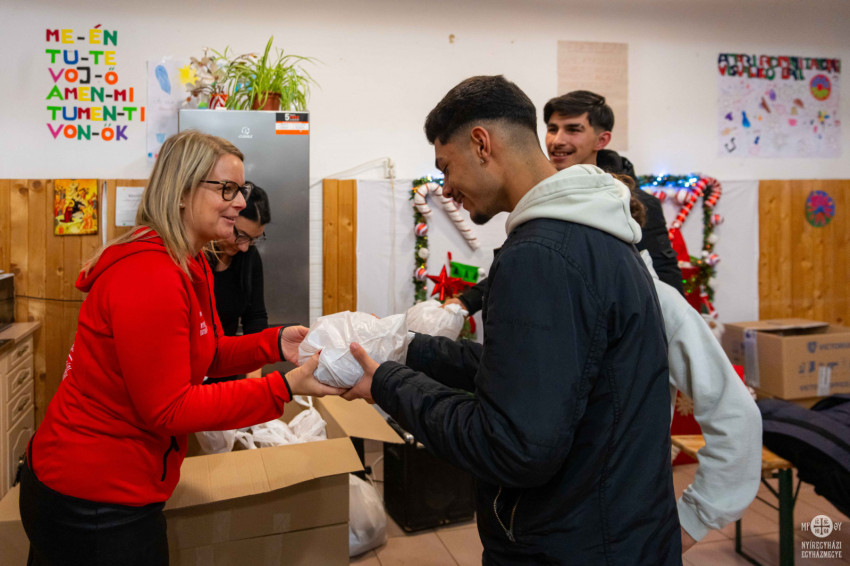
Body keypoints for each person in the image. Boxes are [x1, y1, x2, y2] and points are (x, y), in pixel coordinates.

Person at [344, 75, 681, 564]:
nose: (447, 189)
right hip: (618, 530)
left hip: (574, 546)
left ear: (482, 144)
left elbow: (513, 446)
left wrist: (387, 384)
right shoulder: (593, 230)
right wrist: (407, 347)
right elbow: (539, 374)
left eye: (446, 167)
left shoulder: (540, 255)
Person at [19, 130, 343, 566]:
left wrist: (274, 342)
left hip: (114, 488)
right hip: (92, 499)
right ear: (181, 193)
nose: (240, 202)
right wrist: (282, 388)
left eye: (241, 189)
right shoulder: (151, 275)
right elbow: (169, 409)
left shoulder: (189, 262)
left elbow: (206, 354)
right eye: (226, 188)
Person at [449, 90, 683, 314]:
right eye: (552, 129)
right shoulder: (542, 194)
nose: (557, 140)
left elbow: (666, 287)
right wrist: (465, 301)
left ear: (602, 140)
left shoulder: (634, 203)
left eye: (573, 130)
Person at [205, 183, 271, 383]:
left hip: (224, 371)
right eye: (240, 235)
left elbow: (255, 318)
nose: (244, 247)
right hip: (189, 373)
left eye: (253, 239)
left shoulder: (249, 256)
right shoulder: (195, 257)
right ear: (226, 218)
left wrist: (254, 381)